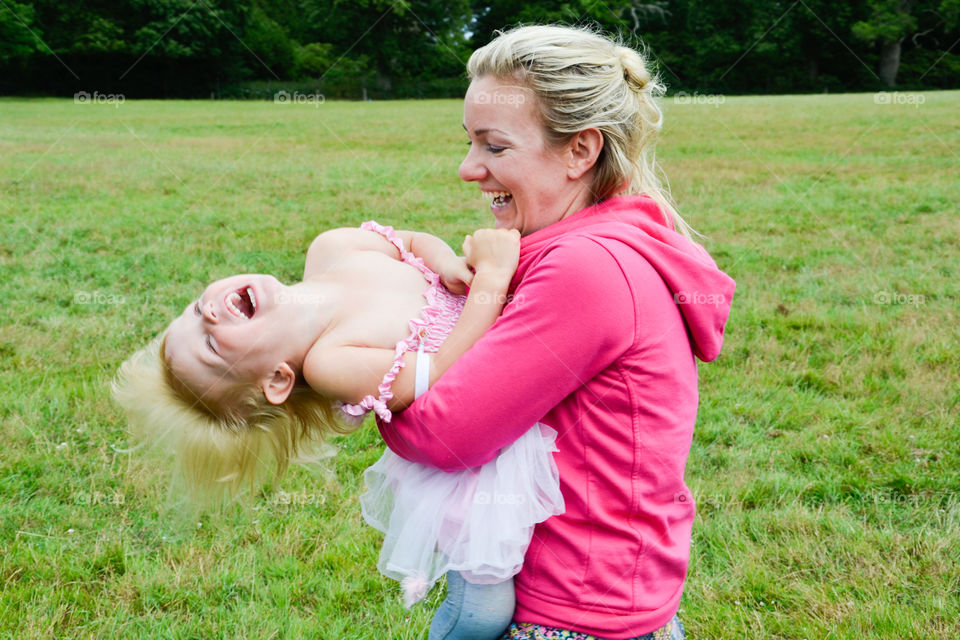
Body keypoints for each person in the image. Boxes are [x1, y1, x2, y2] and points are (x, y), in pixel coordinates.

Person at [377, 25, 736, 640]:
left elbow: (446, 437)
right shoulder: (585, 246)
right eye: (468, 143)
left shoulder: (587, 269)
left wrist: (364, 385)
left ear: (580, 151)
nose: (468, 169)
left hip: (573, 618)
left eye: (494, 147)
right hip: (606, 602)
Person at [112, 221, 563, 640]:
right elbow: (449, 372)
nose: (207, 313)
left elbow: (408, 244)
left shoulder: (333, 249)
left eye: (194, 309)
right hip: (479, 467)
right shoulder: (333, 361)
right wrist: (491, 281)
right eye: (210, 344)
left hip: (526, 367)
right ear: (276, 380)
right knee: (483, 608)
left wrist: (445, 264)